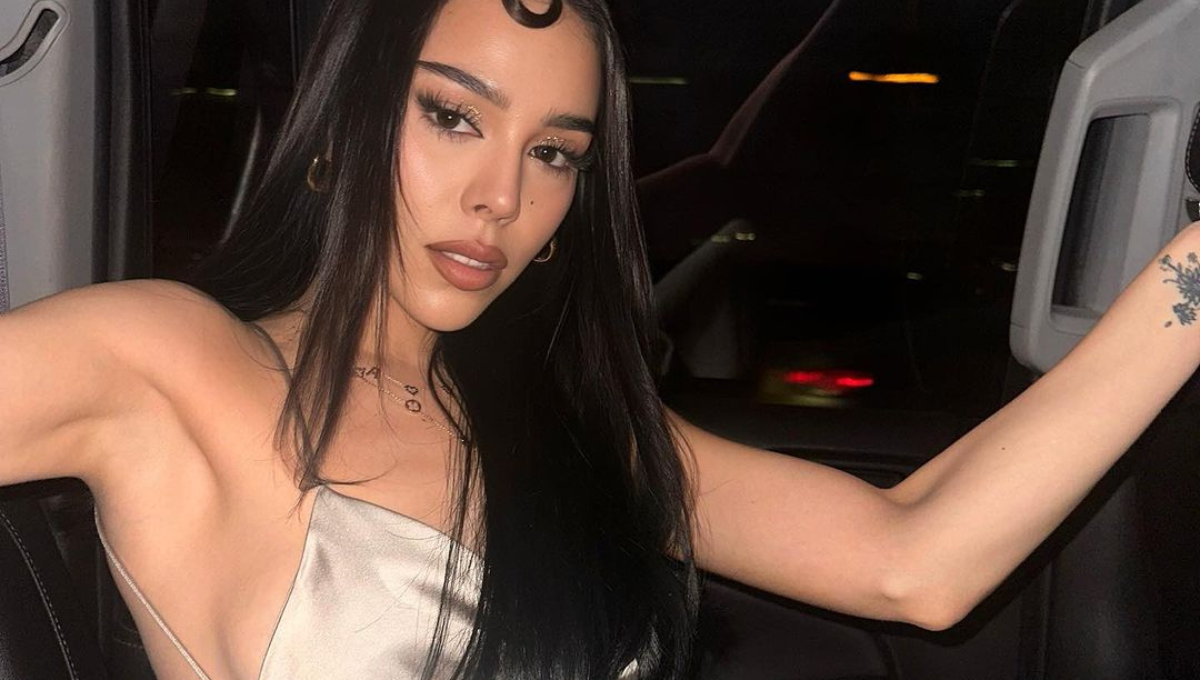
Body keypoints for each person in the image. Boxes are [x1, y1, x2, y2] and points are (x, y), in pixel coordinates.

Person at [1, 0, 1198, 677]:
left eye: (553, 153)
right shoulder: (170, 363)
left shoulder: (578, 432)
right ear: (341, 124)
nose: (501, 196)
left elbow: (917, 558)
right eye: (453, 115)